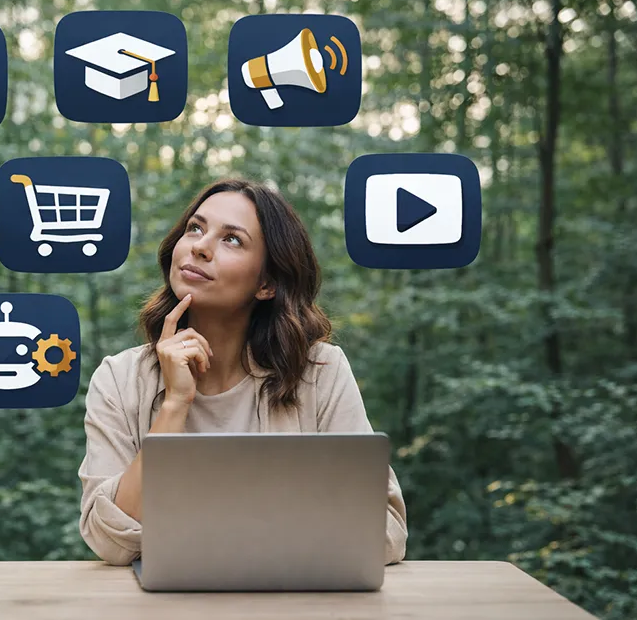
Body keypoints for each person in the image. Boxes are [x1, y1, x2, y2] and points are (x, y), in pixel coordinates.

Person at [77, 178, 408, 566]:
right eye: (195, 228)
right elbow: (109, 541)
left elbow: (385, 531)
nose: (200, 246)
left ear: (266, 283)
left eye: (231, 239)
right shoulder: (118, 379)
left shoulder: (321, 371)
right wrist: (175, 404)